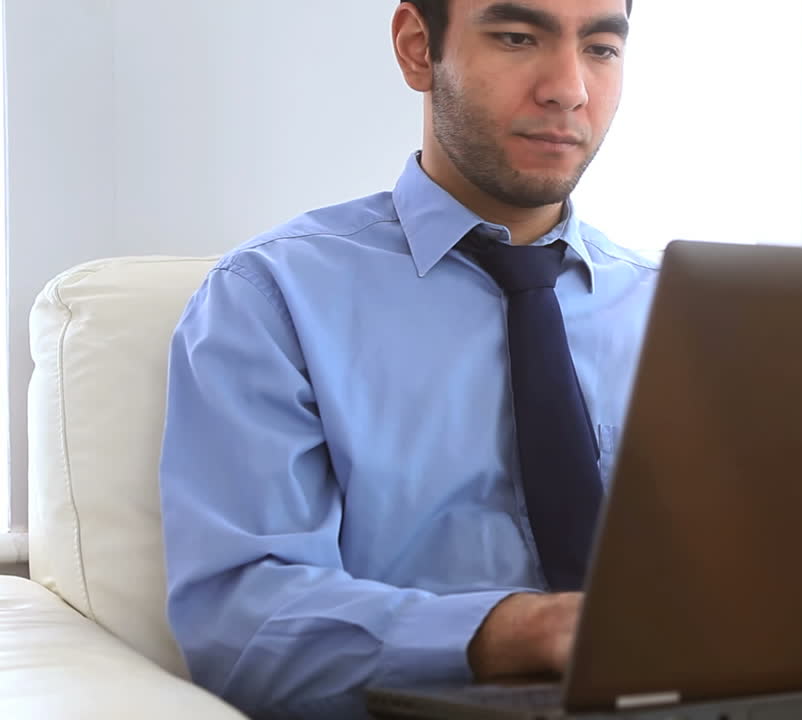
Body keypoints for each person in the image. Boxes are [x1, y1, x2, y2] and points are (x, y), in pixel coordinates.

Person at [158, 1, 649, 716]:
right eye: (518, 37)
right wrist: (518, 633)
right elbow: (242, 624)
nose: (568, 88)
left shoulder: (673, 310)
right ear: (420, 48)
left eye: (601, 48)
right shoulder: (271, 300)